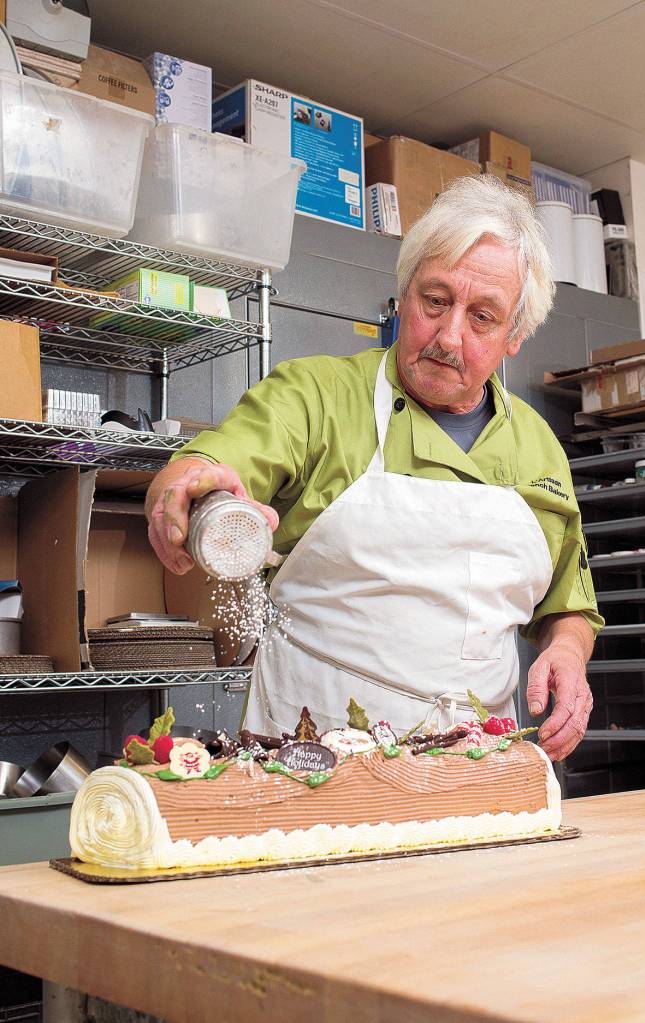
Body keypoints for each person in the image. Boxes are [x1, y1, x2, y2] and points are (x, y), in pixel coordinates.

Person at [146, 175, 603, 761]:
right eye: (435, 301)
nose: (449, 336)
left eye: (483, 317)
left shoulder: (539, 447)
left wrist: (568, 651)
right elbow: (200, 469)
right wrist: (183, 493)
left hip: (476, 766)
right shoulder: (317, 396)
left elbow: (568, 602)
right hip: (313, 757)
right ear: (404, 293)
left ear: (514, 336)